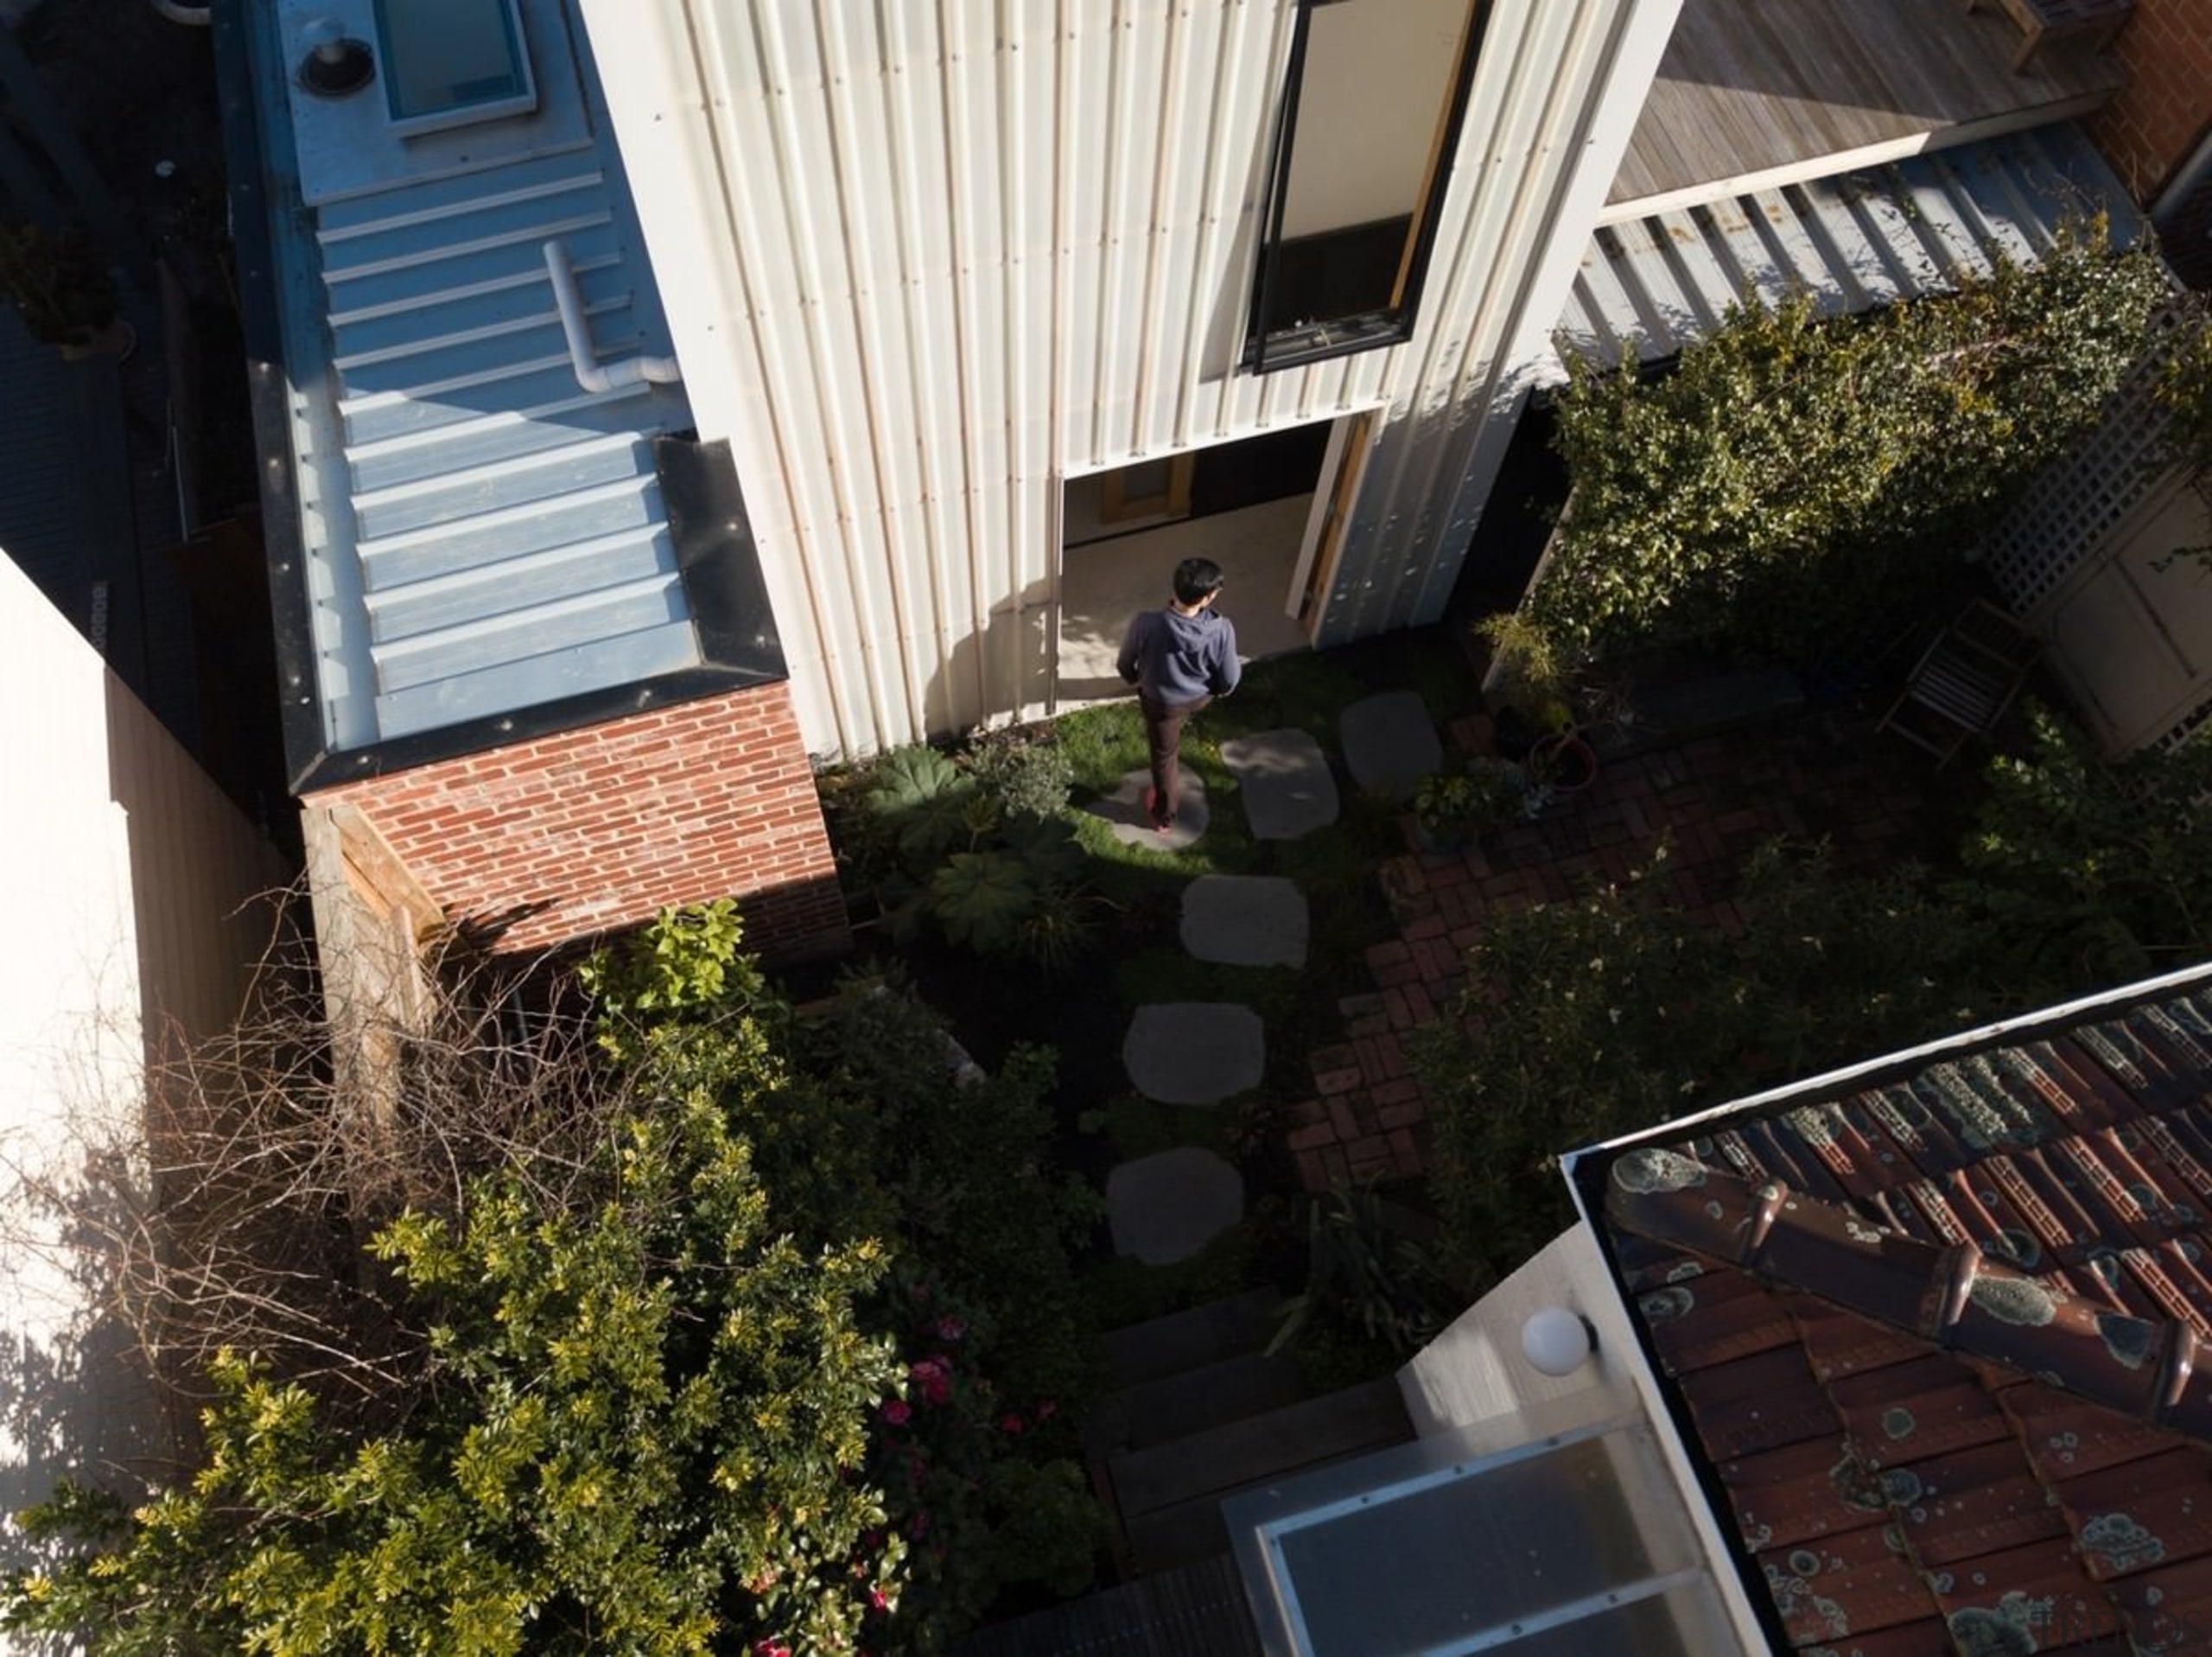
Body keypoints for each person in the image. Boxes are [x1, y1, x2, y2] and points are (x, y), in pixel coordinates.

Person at [1117, 557, 1240, 832]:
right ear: (1207, 598)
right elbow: (1230, 679)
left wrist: (1136, 679)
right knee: (1169, 746)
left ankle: (1164, 815)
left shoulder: (1146, 624)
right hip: (1198, 698)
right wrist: (1217, 692)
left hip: (1161, 705)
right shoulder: (1222, 630)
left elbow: (1125, 664)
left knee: (1164, 758)